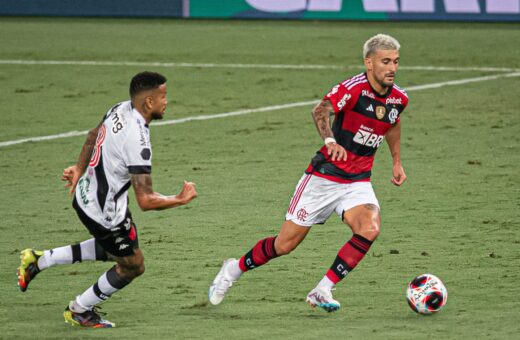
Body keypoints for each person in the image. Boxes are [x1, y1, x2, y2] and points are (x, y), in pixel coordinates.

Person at [208, 34, 408, 312]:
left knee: (369, 228)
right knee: (285, 244)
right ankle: (233, 269)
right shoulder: (352, 89)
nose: (392, 68)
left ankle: (323, 289)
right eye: (385, 62)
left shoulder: (399, 98)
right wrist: (330, 141)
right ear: (369, 62)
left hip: (357, 181)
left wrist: (396, 161)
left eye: (396, 62)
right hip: (324, 177)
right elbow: (321, 110)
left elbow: (393, 123)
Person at [17, 71, 198, 327]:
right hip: (104, 212)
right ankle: (79, 309)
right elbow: (146, 200)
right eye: (163, 96)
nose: (166, 101)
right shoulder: (138, 141)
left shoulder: (119, 108)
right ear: (148, 102)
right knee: (133, 265)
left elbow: (93, 135)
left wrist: (79, 169)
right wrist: (180, 199)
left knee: (120, 251)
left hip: (91, 198)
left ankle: (39, 260)